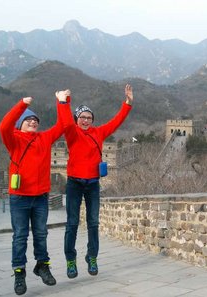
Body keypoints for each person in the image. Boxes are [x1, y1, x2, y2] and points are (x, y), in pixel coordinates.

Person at [56, 85, 133, 279]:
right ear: (77, 119)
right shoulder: (72, 133)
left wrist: (128, 103)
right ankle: (70, 260)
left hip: (92, 184)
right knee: (72, 223)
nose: (86, 121)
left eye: (89, 118)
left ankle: (92, 257)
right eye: (82, 117)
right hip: (74, 183)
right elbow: (65, 122)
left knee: (93, 223)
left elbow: (116, 122)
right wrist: (64, 102)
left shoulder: (99, 132)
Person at [0, 95, 63, 295]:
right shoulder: (14, 139)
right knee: (20, 236)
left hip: (41, 197)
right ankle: (19, 272)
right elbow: (3, 126)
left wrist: (62, 103)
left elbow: (64, 125)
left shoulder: (44, 138)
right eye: (28, 119)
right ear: (20, 124)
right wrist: (22, 105)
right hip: (19, 198)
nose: (33, 121)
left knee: (41, 233)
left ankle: (42, 265)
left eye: (35, 119)